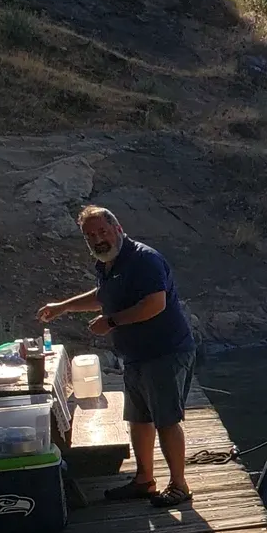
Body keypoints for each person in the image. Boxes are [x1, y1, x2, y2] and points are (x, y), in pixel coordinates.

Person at [39, 205, 198, 507]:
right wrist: (63, 306)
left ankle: (179, 485)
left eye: (102, 231)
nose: (98, 239)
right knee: (139, 419)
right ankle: (144, 480)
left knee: (166, 420)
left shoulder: (144, 259)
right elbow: (103, 296)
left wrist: (111, 322)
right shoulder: (108, 263)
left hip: (165, 351)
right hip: (137, 355)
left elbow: (155, 304)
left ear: (118, 228)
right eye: (90, 235)